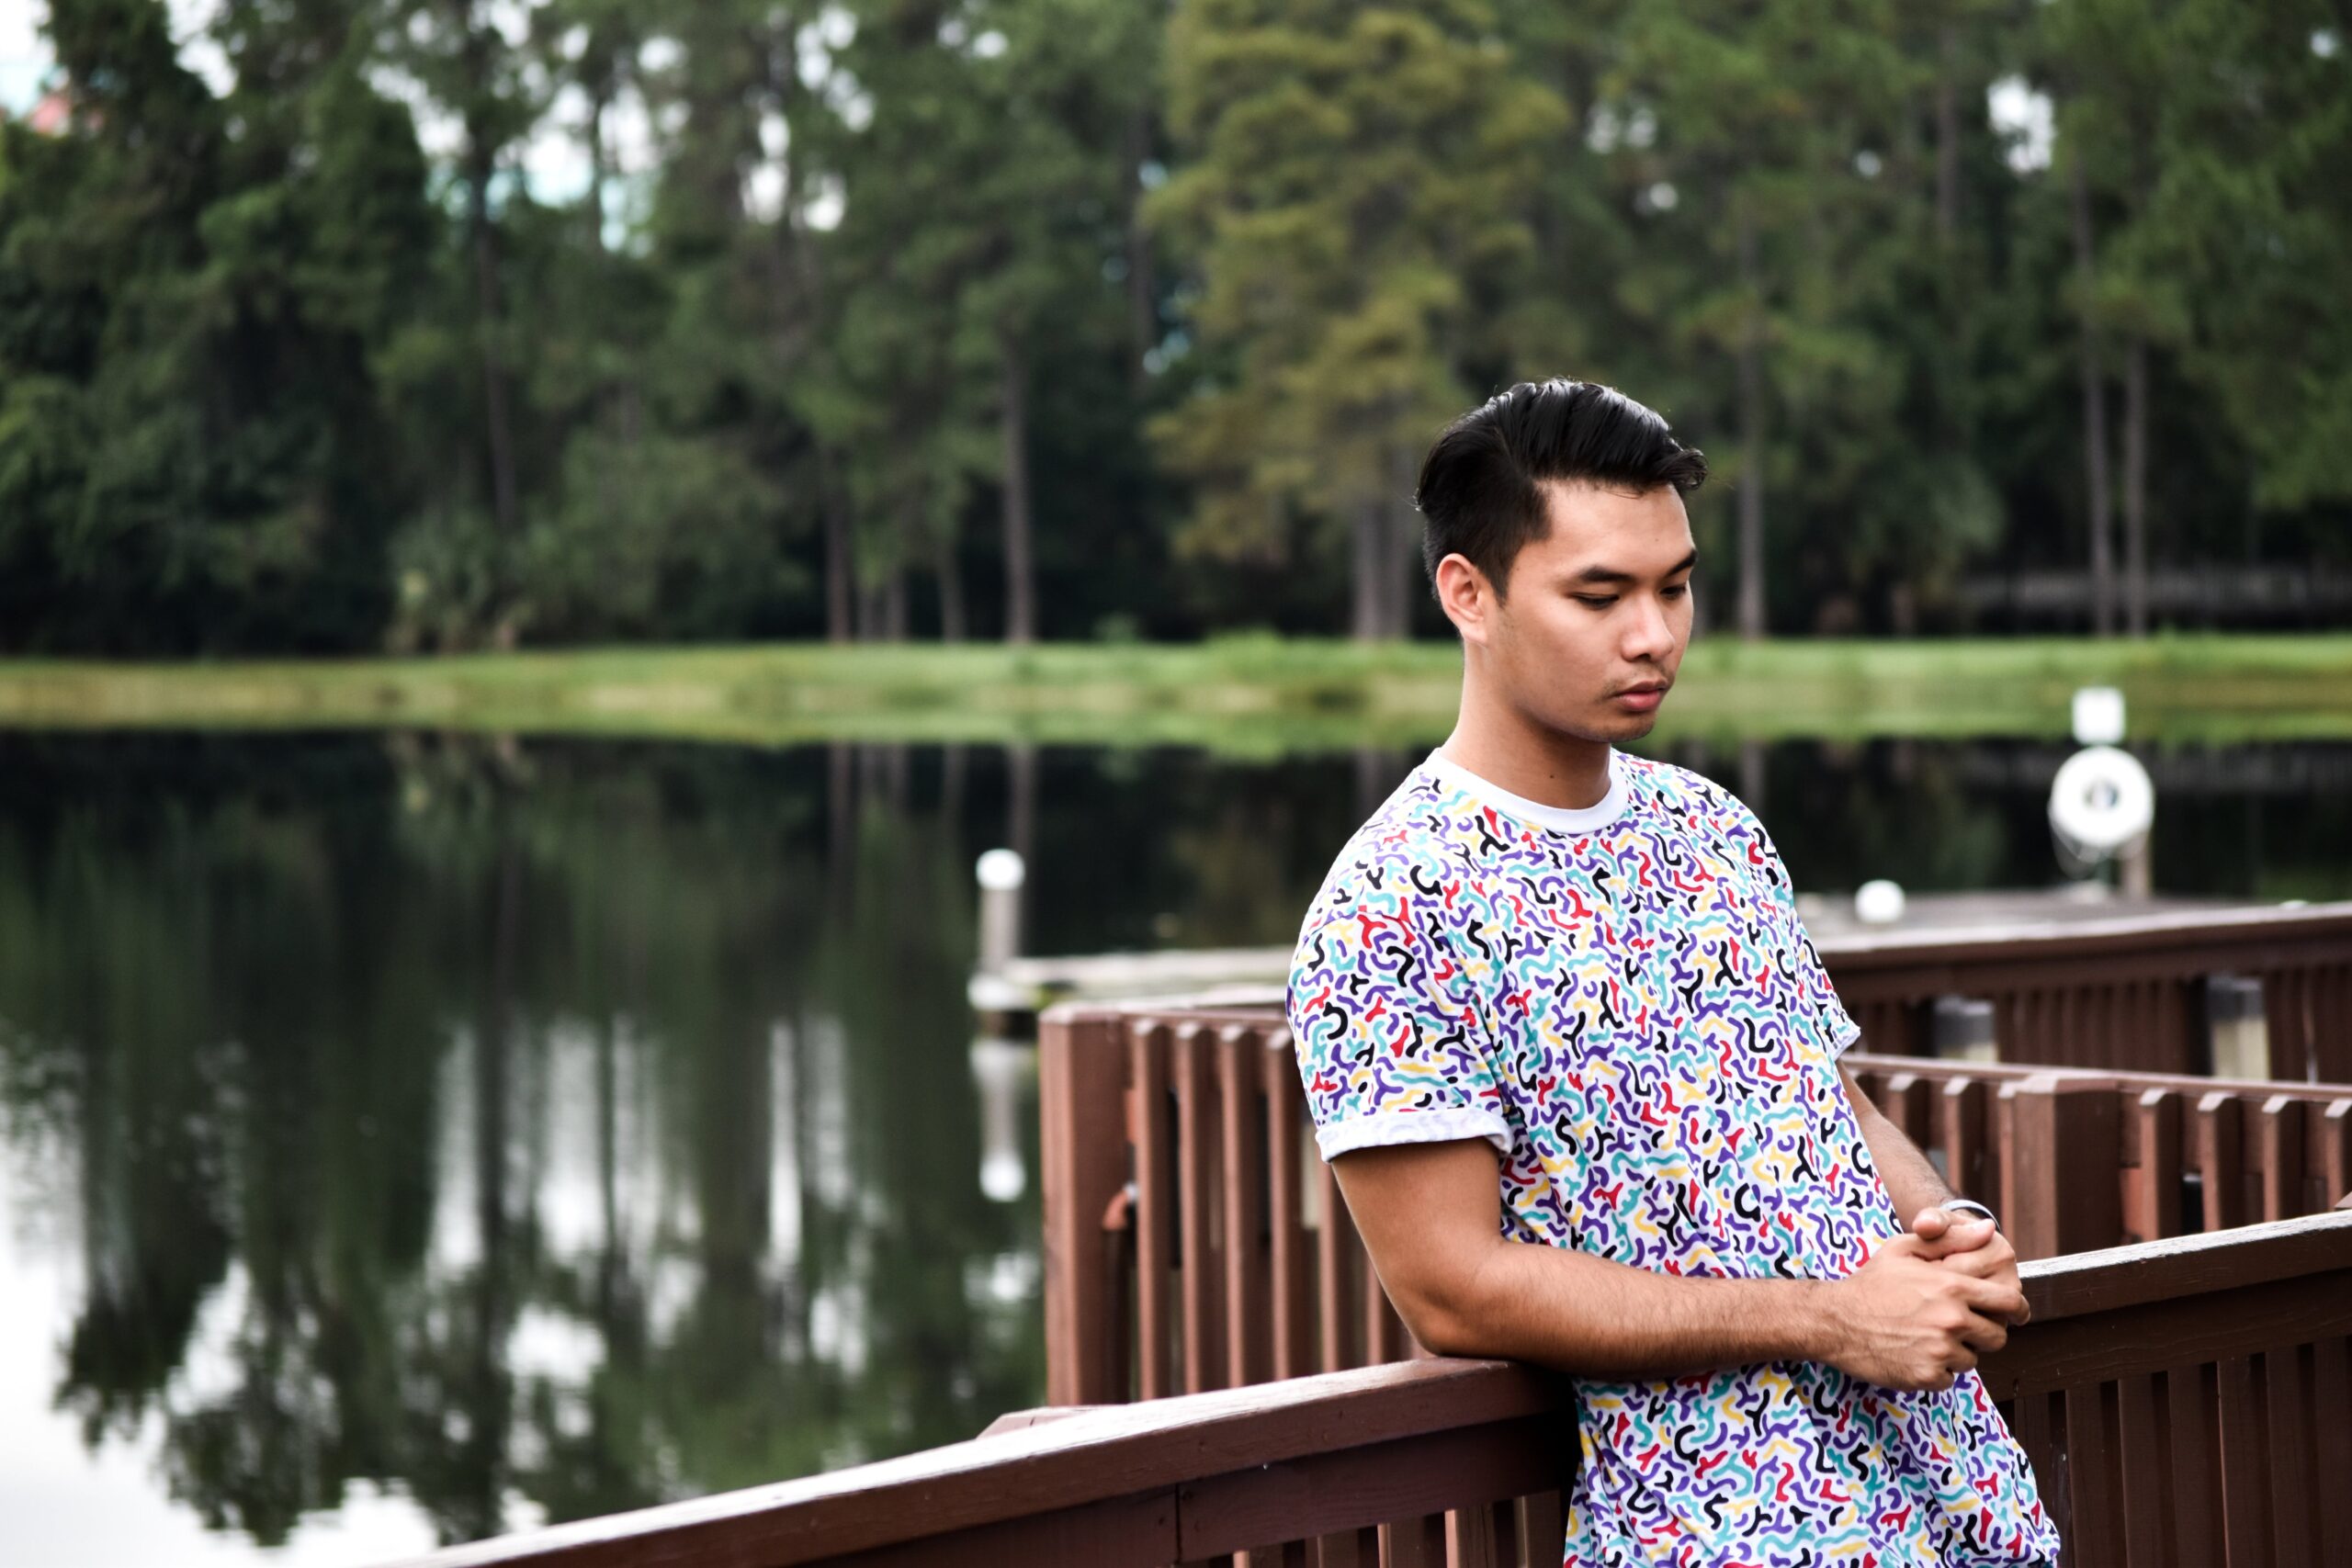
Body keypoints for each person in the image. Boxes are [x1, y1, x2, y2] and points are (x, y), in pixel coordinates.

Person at [1286, 379, 2060, 1566]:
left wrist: (1941, 1224)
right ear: (1468, 594)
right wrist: (1826, 1319)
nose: (1654, 634)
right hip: (1716, 1528)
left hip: (1953, 1491)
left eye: (1675, 585)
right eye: (1599, 594)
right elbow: (1452, 1287)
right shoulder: (1393, 902)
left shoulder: (1717, 828)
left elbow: (1823, 1094)